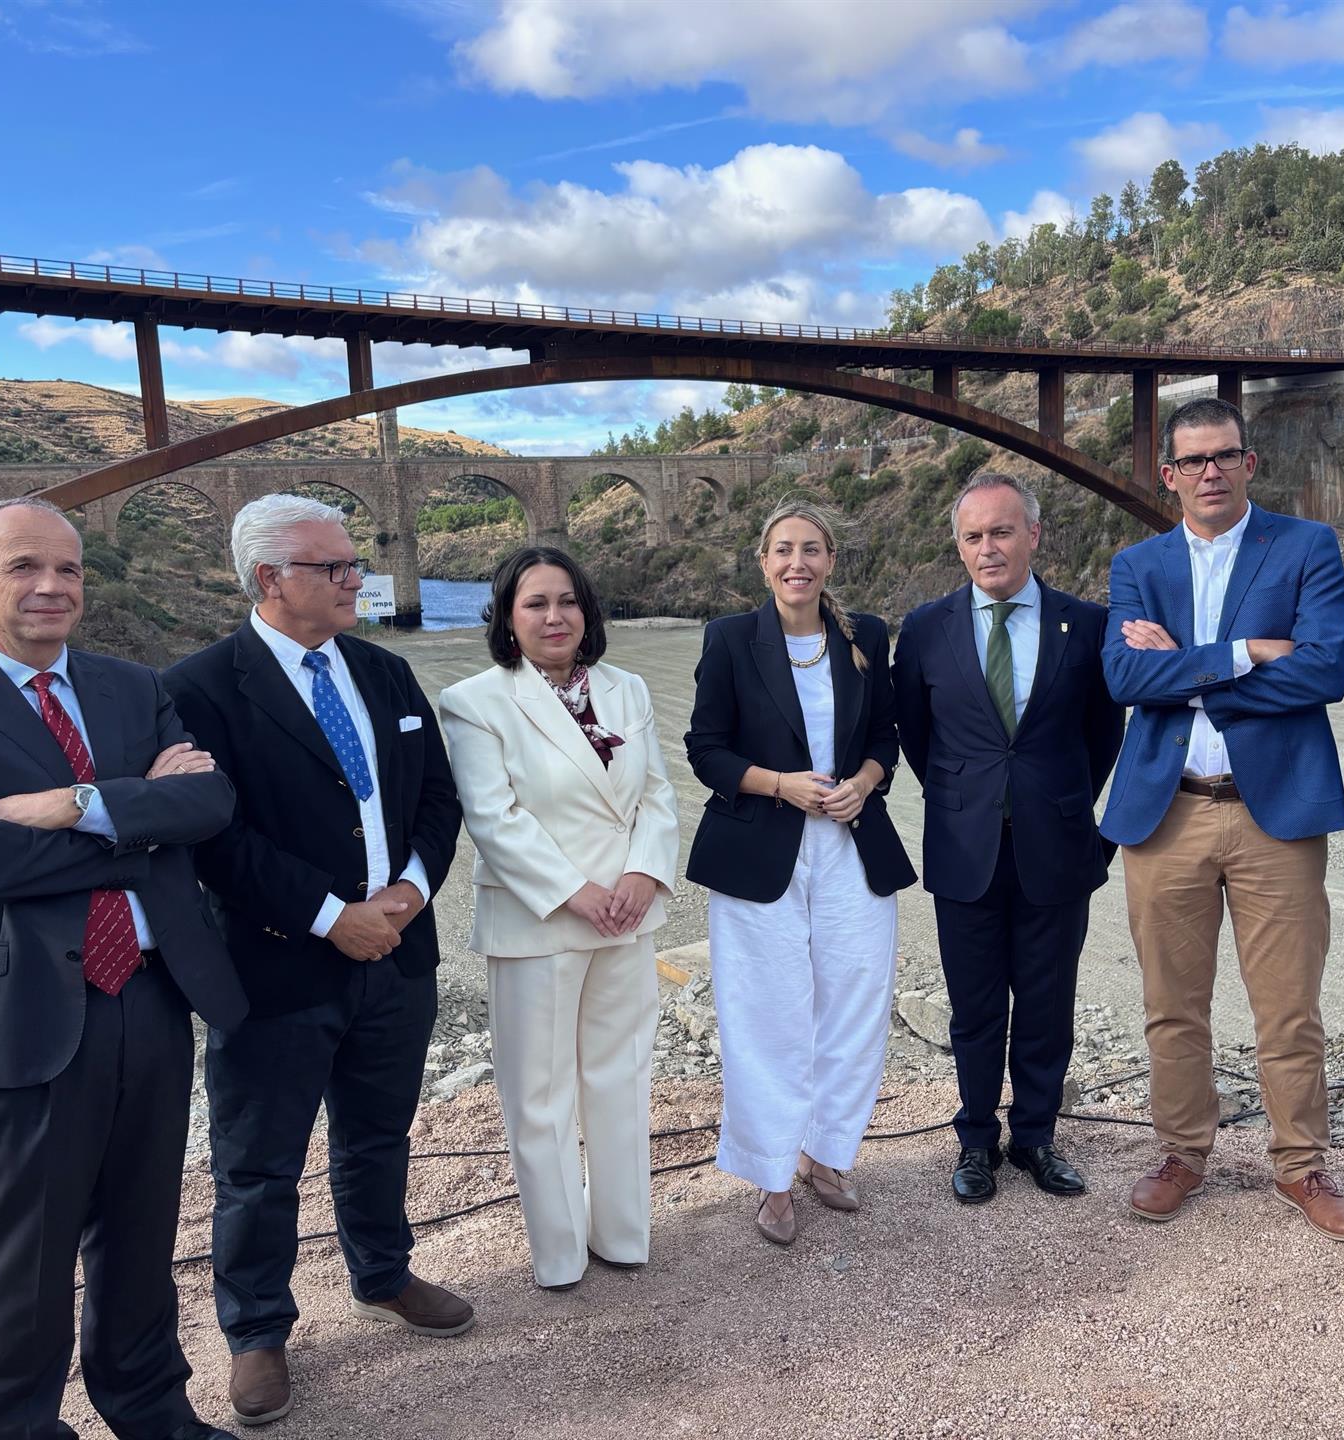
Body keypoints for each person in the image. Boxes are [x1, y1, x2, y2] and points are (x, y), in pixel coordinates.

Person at [0, 497, 246, 1440]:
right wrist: (133, 817)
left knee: (142, 1232)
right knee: (21, 1256)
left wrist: (68, 803)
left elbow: (208, 808)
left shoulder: (129, 686)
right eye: (24, 567)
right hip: (13, 1014)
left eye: (68, 569)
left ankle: (152, 1409)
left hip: (149, 998)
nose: (50, 587)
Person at [164, 494, 468, 1427]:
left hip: (397, 952)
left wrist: (407, 896)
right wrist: (334, 916)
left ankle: (381, 1273)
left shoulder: (384, 673)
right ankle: (257, 1331)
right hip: (277, 964)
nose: (356, 580)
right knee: (258, 1163)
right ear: (268, 579)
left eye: (355, 562)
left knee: (378, 1134)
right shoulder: (198, 687)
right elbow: (217, 839)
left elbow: (436, 798)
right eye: (333, 568)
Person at [1099, 397, 1344, 1242]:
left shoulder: (1306, 547)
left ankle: (1301, 1165)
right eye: (1192, 461)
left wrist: (1179, 665)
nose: (1209, 473)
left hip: (1273, 815)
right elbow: (1123, 683)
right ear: (1168, 475)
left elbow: (1323, 674)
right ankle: (1182, 1153)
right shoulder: (1138, 565)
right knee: (1172, 1004)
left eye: (1225, 457)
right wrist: (1247, 651)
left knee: (1287, 1005)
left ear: (1249, 464)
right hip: (1167, 812)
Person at [439, 547, 678, 1290]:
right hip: (539, 917)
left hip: (625, 916)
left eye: (568, 600)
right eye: (536, 603)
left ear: (588, 611)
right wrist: (577, 891)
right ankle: (559, 1251)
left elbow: (658, 796)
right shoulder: (475, 702)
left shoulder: (628, 688)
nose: (555, 616)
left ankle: (622, 1232)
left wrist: (642, 875)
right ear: (508, 618)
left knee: (620, 1077)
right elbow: (493, 817)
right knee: (540, 1095)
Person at [685, 498, 914, 1244]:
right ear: (763, 561)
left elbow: (888, 734)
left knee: (854, 1005)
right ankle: (773, 1176)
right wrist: (780, 783)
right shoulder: (729, 639)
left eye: (811, 549)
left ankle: (828, 1155)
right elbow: (705, 749)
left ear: (831, 560)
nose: (797, 563)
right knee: (766, 1015)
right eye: (783, 549)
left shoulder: (866, 638)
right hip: (760, 850)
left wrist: (866, 780)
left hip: (852, 846)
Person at [893, 471, 1124, 1205]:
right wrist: (970, 798)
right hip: (965, 848)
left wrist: (1053, 802)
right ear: (958, 546)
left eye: (1001, 531)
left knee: (1049, 1001)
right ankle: (973, 1142)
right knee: (975, 1004)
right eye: (973, 536)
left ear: (1033, 534)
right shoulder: (927, 628)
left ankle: (1036, 1138)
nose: (987, 547)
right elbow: (915, 735)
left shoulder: (1085, 624)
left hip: (1056, 843)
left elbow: (1102, 733)